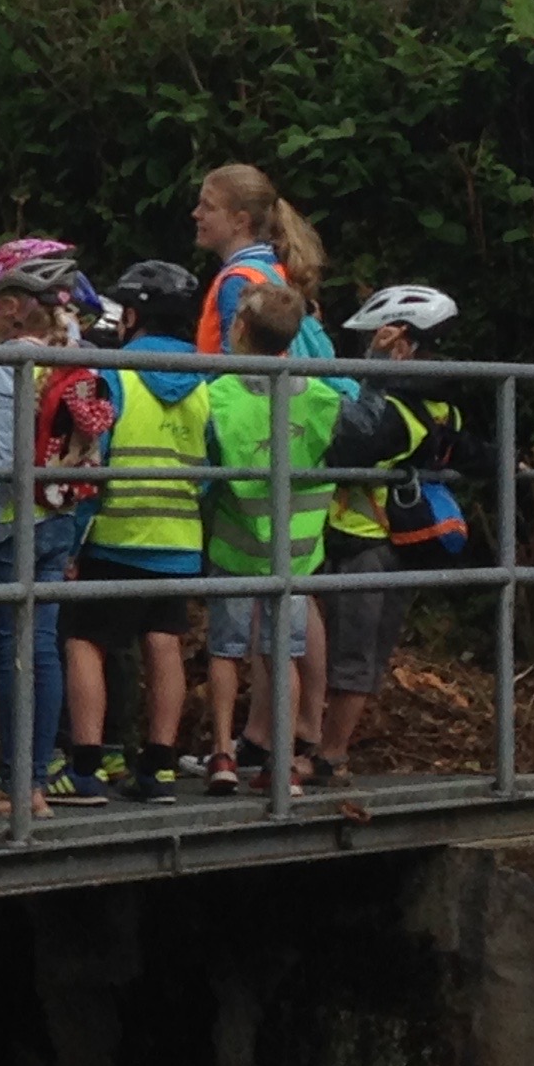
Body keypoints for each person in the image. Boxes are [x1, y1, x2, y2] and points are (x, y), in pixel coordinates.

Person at [0, 239, 113, 815]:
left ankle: (13, 786)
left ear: (18, 305)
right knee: (40, 652)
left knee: (12, 659)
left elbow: (1, 457)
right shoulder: (75, 356)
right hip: (58, 519)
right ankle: (32, 785)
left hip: (9, 525)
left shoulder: (8, 361)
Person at [317, 284, 478, 785]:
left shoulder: (392, 412)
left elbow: (347, 445)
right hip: (393, 550)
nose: (366, 352)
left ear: (402, 345)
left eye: (376, 342)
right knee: (357, 654)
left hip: (364, 546)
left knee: (351, 656)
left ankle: (328, 757)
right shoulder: (440, 407)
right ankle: (322, 751)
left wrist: (371, 372)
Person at [70, 258, 215, 804]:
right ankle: (159, 768)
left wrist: (78, 537)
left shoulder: (114, 373)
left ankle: (85, 766)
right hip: (178, 537)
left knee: (85, 640)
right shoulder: (204, 380)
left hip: (115, 532)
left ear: (130, 315)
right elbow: (213, 463)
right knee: (164, 643)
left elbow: (93, 459)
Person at [199, 281, 341, 795]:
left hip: (237, 545)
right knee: (285, 653)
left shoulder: (218, 392)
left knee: (225, 650)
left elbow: (206, 467)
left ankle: (222, 754)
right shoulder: (323, 397)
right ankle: (282, 763)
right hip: (299, 555)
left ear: (238, 328)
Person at [193, 163, 339, 366]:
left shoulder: (239, 280)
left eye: (208, 206)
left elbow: (235, 366)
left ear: (240, 221)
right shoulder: (280, 267)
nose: (196, 214)